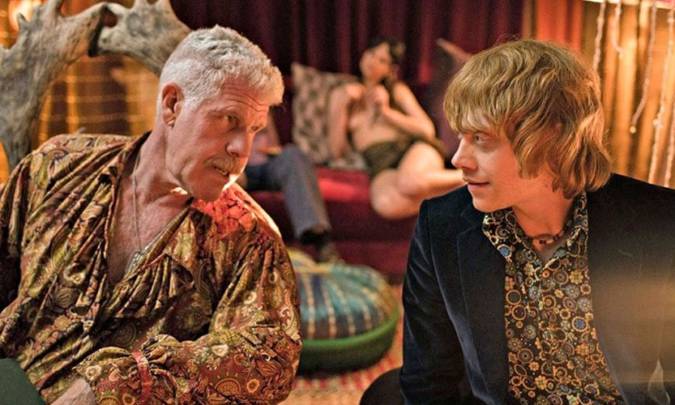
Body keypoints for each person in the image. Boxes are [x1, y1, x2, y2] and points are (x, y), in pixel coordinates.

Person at [0, 26, 301, 404]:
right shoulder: (57, 166)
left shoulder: (249, 235)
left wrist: (126, 381)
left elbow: (269, 358)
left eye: (254, 129)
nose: (243, 149)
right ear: (172, 104)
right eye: (229, 120)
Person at [400, 39, 675, 404]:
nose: (458, 159)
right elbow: (427, 380)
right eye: (461, 137)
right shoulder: (440, 227)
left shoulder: (659, 221)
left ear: (552, 136)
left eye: (481, 139)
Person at [327, 37, 464, 220]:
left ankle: (467, 178)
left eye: (382, 60)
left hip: (412, 149)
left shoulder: (396, 91)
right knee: (385, 204)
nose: (373, 61)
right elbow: (336, 152)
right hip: (380, 162)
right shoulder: (343, 94)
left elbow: (427, 129)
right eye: (371, 53)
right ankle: (458, 195)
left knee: (410, 182)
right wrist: (341, 106)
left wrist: (386, 112)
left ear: (390, 70)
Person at [240, 117, 340, 262]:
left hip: (267, 164)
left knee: (293, 154)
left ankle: (320, 239)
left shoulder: (263, 107)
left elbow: (273, 142)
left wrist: (273, 149)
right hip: (238, 167)